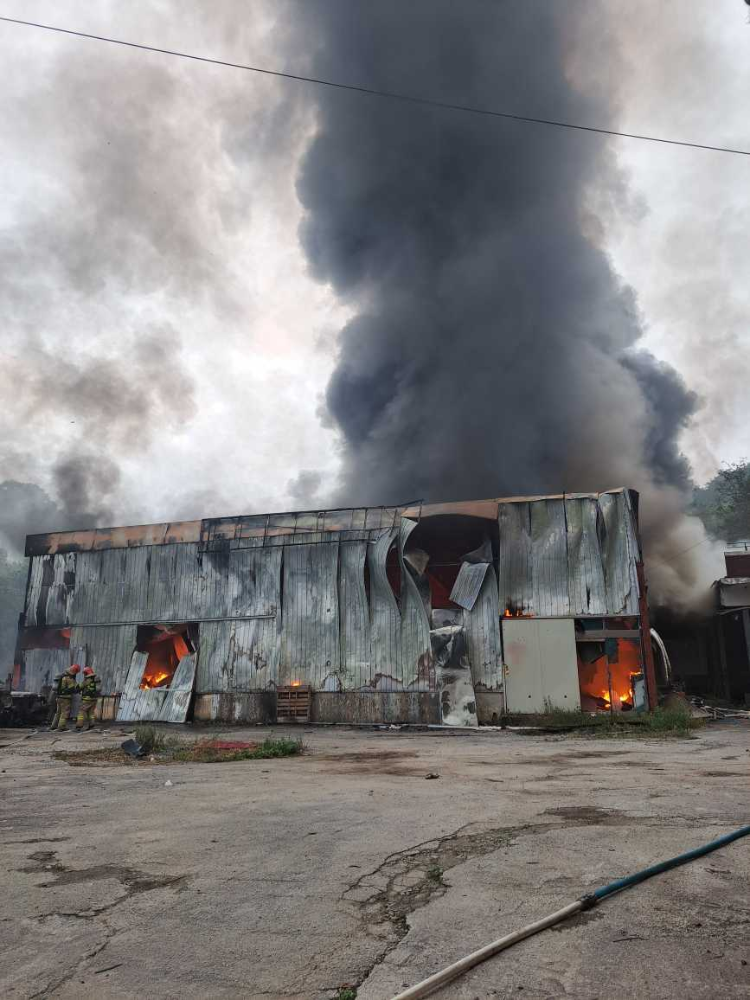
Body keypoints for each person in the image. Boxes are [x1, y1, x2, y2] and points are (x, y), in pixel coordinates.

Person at [50, 664, 80, 731]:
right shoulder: (69, 678)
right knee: (64, 713)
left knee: (58, 712)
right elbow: (73, 688)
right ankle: (61, 727)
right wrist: (78, 689)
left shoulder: (63, 676)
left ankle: (53, 726)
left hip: (58, 697)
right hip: (65, 698)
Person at [76, 667, 100, 732]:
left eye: (85, 673)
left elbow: (80, 687)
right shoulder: (95, 680)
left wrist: (76, 688)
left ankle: (79, 726)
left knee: (81, 712)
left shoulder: (87, 681)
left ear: (87, 673)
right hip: (94, 699)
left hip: (87, 699)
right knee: (91, 713)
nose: (84, 675)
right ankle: (91, 725)